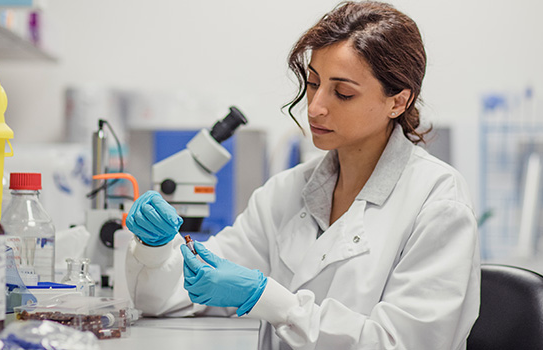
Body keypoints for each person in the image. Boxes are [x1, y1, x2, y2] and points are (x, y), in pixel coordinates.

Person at [124, 2, 480, 349]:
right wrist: (156, 251)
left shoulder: (438, 203)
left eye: (342, 93)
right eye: (312, 83)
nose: (315, 106)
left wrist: (269, 299)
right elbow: (166, 298)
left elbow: (402, 343)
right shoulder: (286, 192)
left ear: (398, 102)